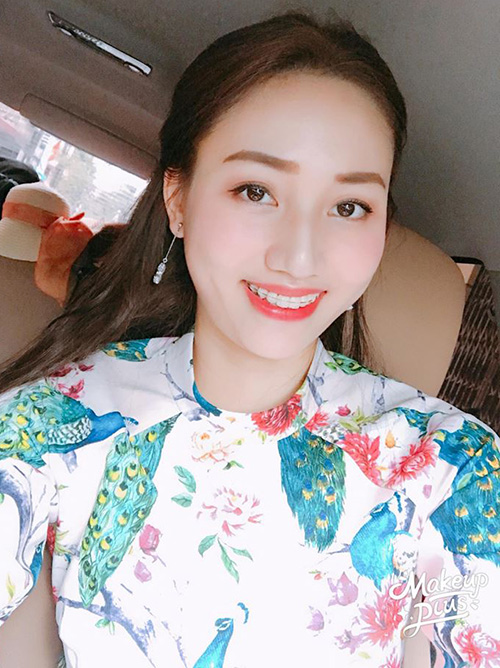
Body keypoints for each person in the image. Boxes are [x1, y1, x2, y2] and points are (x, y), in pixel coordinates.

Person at [0, 9, 498, 667]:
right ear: (178, 200)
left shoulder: (453, 469)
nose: (299, 256)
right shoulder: (49, 423)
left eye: (349, 206)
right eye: (256, 191)